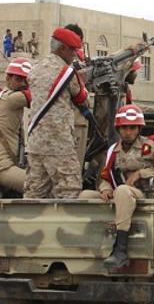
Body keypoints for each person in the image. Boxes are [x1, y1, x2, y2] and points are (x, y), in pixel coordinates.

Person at [79, 104, 154, 269]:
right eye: (124, 128)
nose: (128, 132)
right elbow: (105, 175)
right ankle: (90, 242)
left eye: (132, 128)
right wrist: (105, 189)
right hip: (119, 192)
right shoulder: (113, 151)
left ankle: (121, 250)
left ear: (138, 128)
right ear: (119, 129)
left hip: (143, 193)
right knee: (85, 196)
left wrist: (142, 173)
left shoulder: (150, 147)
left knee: (123, 191)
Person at [24, 26, 89, 199]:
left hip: (35, 142)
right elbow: (83, 99)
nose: (74, 54)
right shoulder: (67, 73)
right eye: (73, 50)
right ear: (62, 49)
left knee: (35, 193)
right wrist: (81, 80)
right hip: (59, 143)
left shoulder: (35, 69)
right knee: (69, 191)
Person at [0, 58, 32, 194]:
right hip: (3, 166)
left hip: (8, 162)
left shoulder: (4, 95)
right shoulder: (13, 98)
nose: (23, 84)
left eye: (26, 80)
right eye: (19, 79)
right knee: (38, 188)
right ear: (7, 78)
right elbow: (43, 94)